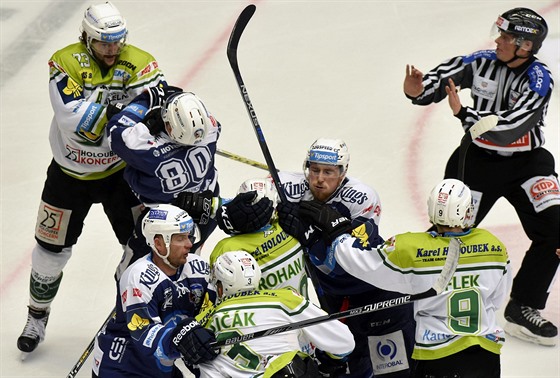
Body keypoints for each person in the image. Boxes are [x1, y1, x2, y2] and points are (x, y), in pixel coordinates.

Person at [17, 1, 167, 356]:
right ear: (85, 38)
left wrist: (139, 116)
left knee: (144, 245)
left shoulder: (140, 61)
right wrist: (129, 117)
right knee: (49, 251)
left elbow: (156, 102)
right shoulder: (64, 61)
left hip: (121, 175)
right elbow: (75, 122)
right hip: (69, 176)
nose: (112, 50)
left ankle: (139, 312)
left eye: (117, 41)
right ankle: (37, 315)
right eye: (103, 43)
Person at [403, 7, 559, 346]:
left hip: (527, 164)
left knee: (556, 231)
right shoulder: (482, 61)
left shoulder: (539, 80)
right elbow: (443, 77)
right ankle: (421, 300)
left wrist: (463, 113)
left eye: (505, 37)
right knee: (448, 231)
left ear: (525, 46)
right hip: (477, 163)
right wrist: (419, 89)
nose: (497, 40)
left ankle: (523, 307)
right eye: (499, 33)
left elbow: (507, 128)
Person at [295, 178, 512, 377]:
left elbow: (361, 263)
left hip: (436, 355)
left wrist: (338, 231)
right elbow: (495, 299)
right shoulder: (493, 245)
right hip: (486, 352)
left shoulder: (411, 248)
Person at [276, 138, 416, 377]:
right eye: (314, 170)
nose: (319, 179)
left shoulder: (362, 198)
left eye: (328, 172)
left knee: (392, 371)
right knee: (346, 371)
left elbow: (350, 263)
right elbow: (252, 197)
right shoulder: (290, 188)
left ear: (342, 173)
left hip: (379, 296)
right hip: (335, 301)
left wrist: (311, 235)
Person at [107, 90, 273, 275]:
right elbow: (189, 104)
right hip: (205, 214)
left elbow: (115, 130)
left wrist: (145, 105)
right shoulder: (211, 129)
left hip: (162, 220)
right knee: (187, 262)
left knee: (130, 272)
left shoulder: (142, 146)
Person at [92, 204, 219, 377]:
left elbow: (212, 311)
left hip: (160, 368)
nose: (189, 244)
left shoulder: (198, 268)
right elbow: (145, 335)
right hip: (121, 367)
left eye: (188, 236)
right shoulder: (138, 277)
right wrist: (182, 337)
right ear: (159, 244)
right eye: (180, 238)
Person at [196, 250, 355, 377]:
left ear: (221, 285)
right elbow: (345, 342)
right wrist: (329, 361)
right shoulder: (284, 299)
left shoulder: (202, 321)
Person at [209, 177, 310, 298]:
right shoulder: (289, 224)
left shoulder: (228, 248)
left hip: (263, 315)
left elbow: (216, 295)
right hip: (303, 310)